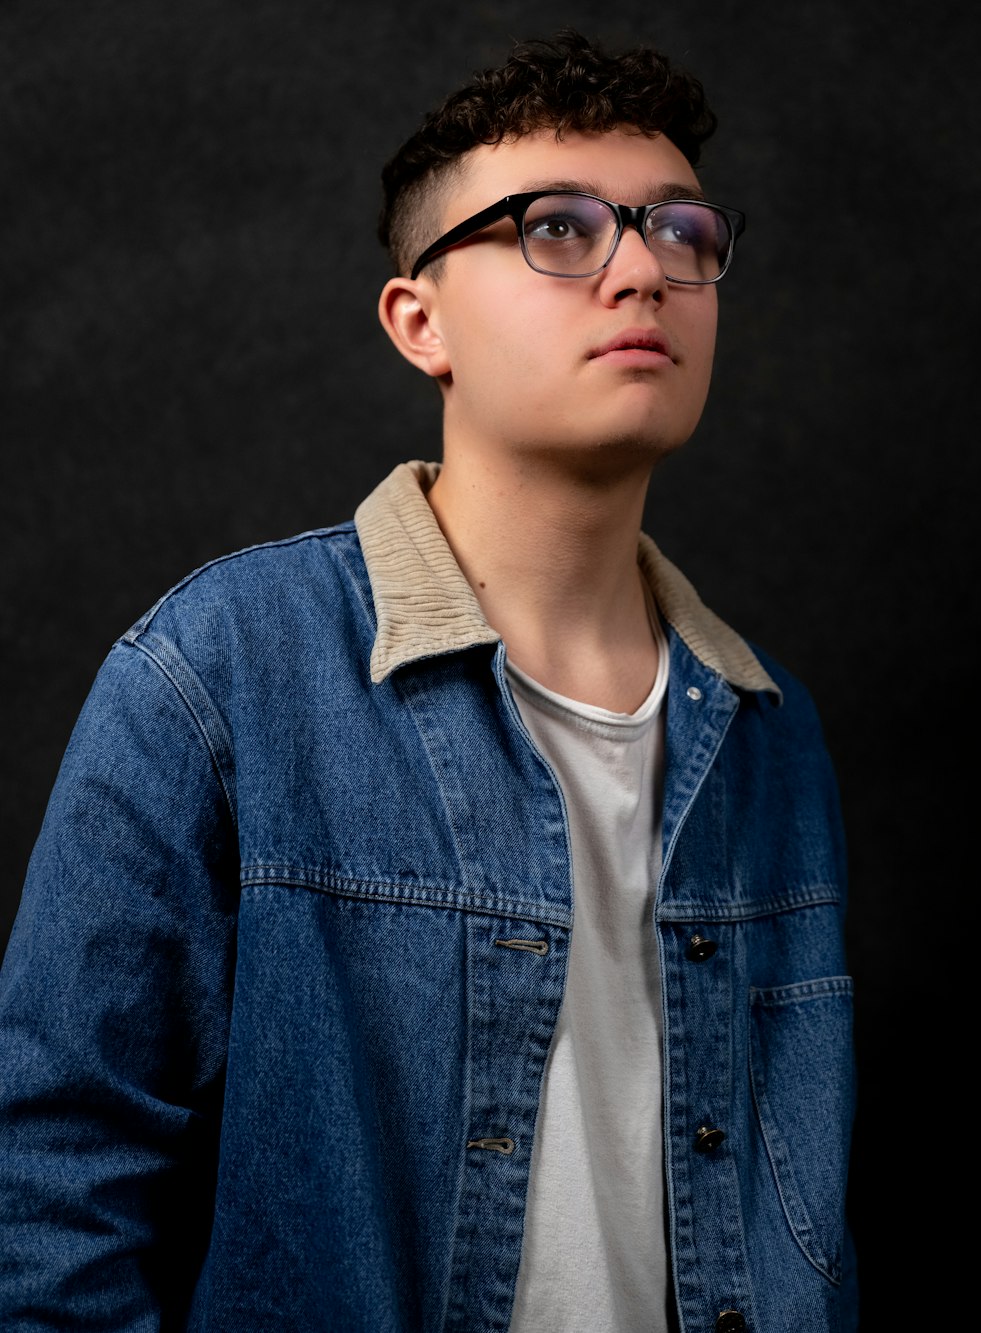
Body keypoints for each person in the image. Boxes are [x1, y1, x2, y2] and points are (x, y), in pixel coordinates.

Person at [0, 30, 857, 1333]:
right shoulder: (218, 673)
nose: (643, 270)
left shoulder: (767, 732)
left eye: (682, 231)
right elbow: (50, 1192)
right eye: (559, 230)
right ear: (421, 319)